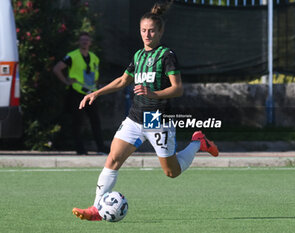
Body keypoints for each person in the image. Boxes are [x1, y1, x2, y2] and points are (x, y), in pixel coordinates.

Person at [72, 1, 219, 221]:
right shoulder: (139, 56)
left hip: (157, 120)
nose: (147, 34)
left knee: (171, 172)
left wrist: (154, 94)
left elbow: (177, 89)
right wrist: (96, 93)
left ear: (160, 31)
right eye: (143, 30)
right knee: (112, 159)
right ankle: (95, 208)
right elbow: (123, 80)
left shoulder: (167, 55)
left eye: (151, 30)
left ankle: (198, 141)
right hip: (135, 117)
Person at [53, 32, 108, 155]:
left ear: (90, 42)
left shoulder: (94, 58)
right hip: (76, 92)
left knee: (95, 120)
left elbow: (96, 74)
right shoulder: (71, 56)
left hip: (90, 93)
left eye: (87, 40)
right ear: (79, 42)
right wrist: (66, 81)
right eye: (82, 40)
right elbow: (57, 68)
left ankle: (101, 148)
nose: (84, 42)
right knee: (78, 121)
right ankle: (80, 149)